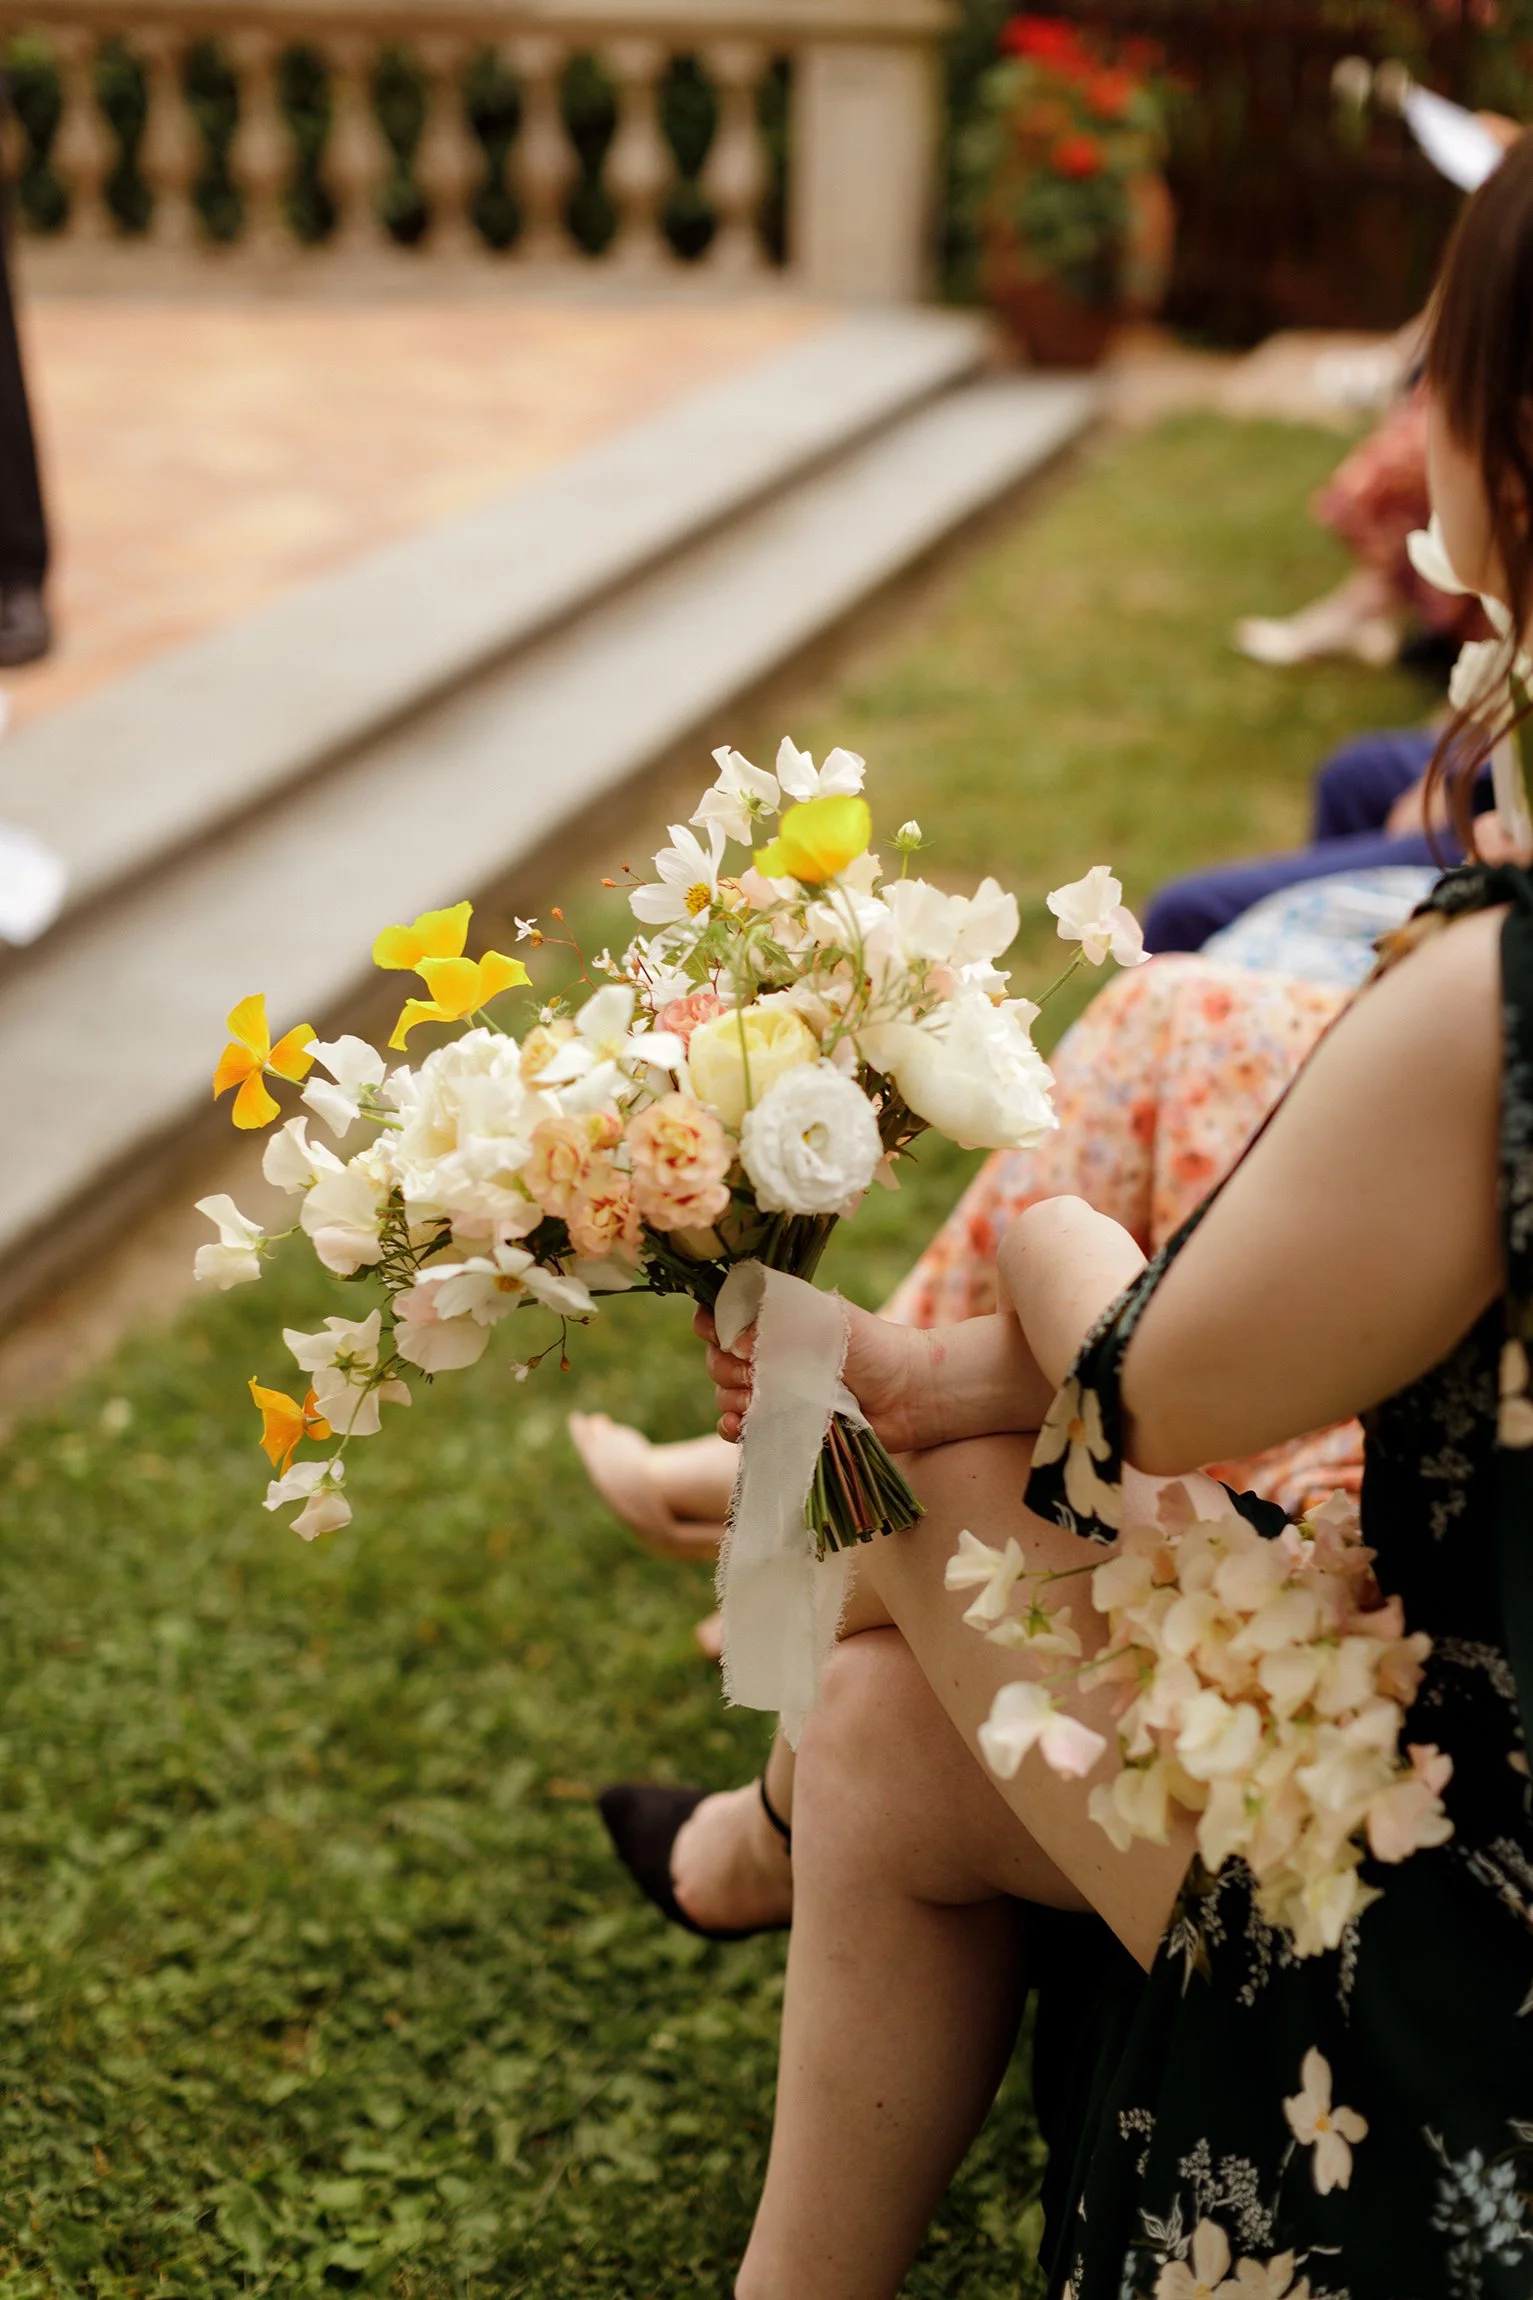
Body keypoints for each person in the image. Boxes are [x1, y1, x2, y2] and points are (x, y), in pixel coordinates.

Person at [679, 139, 1533, 2297]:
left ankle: (751, 1760)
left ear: (1504, 445)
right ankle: (776, 1774)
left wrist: (1043, 1229)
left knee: (943, 1447)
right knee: (894, 1687)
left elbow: (1149, 1382)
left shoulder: (1496, 1002)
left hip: (1474, 1977)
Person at [586, 953, 1362, 1938]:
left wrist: (1049, 1254)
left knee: (952, 1480)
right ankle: (767, 1819)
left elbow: (1161, 1393)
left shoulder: (1478, 1007)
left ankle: (765, 1822)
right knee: (869, 1702)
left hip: (1418, 1851)